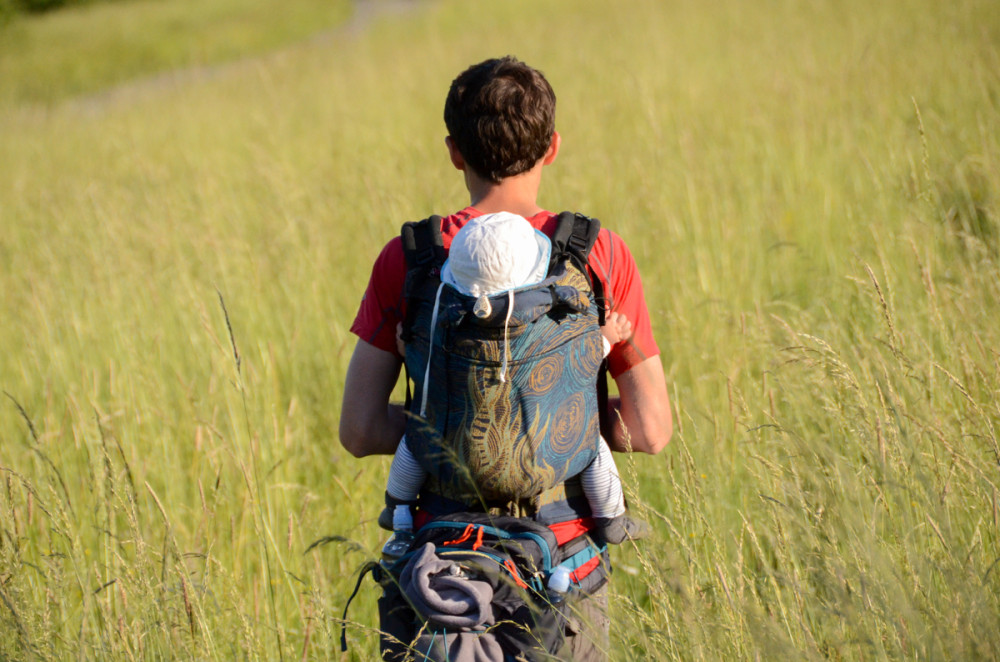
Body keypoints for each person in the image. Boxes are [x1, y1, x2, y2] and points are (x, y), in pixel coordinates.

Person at [340, 56, 672, 661]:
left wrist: (455, 430)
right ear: (552, 147)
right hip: (561, 562)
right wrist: (549, 422)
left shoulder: (410, 259)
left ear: (453, 152)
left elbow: (360, 430)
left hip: (439, 570)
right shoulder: (597, 254)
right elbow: (650, 429)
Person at [379, 211, 650, 560]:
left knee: (416, 439)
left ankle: (399, 514)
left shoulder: (444, 321)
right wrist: (610, 336)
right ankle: (611, 516)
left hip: (454, 464)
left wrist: (404, 345)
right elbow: (585, 358)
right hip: (551, 472)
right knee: (591, 444)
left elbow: (420, 363)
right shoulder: (552, 327)